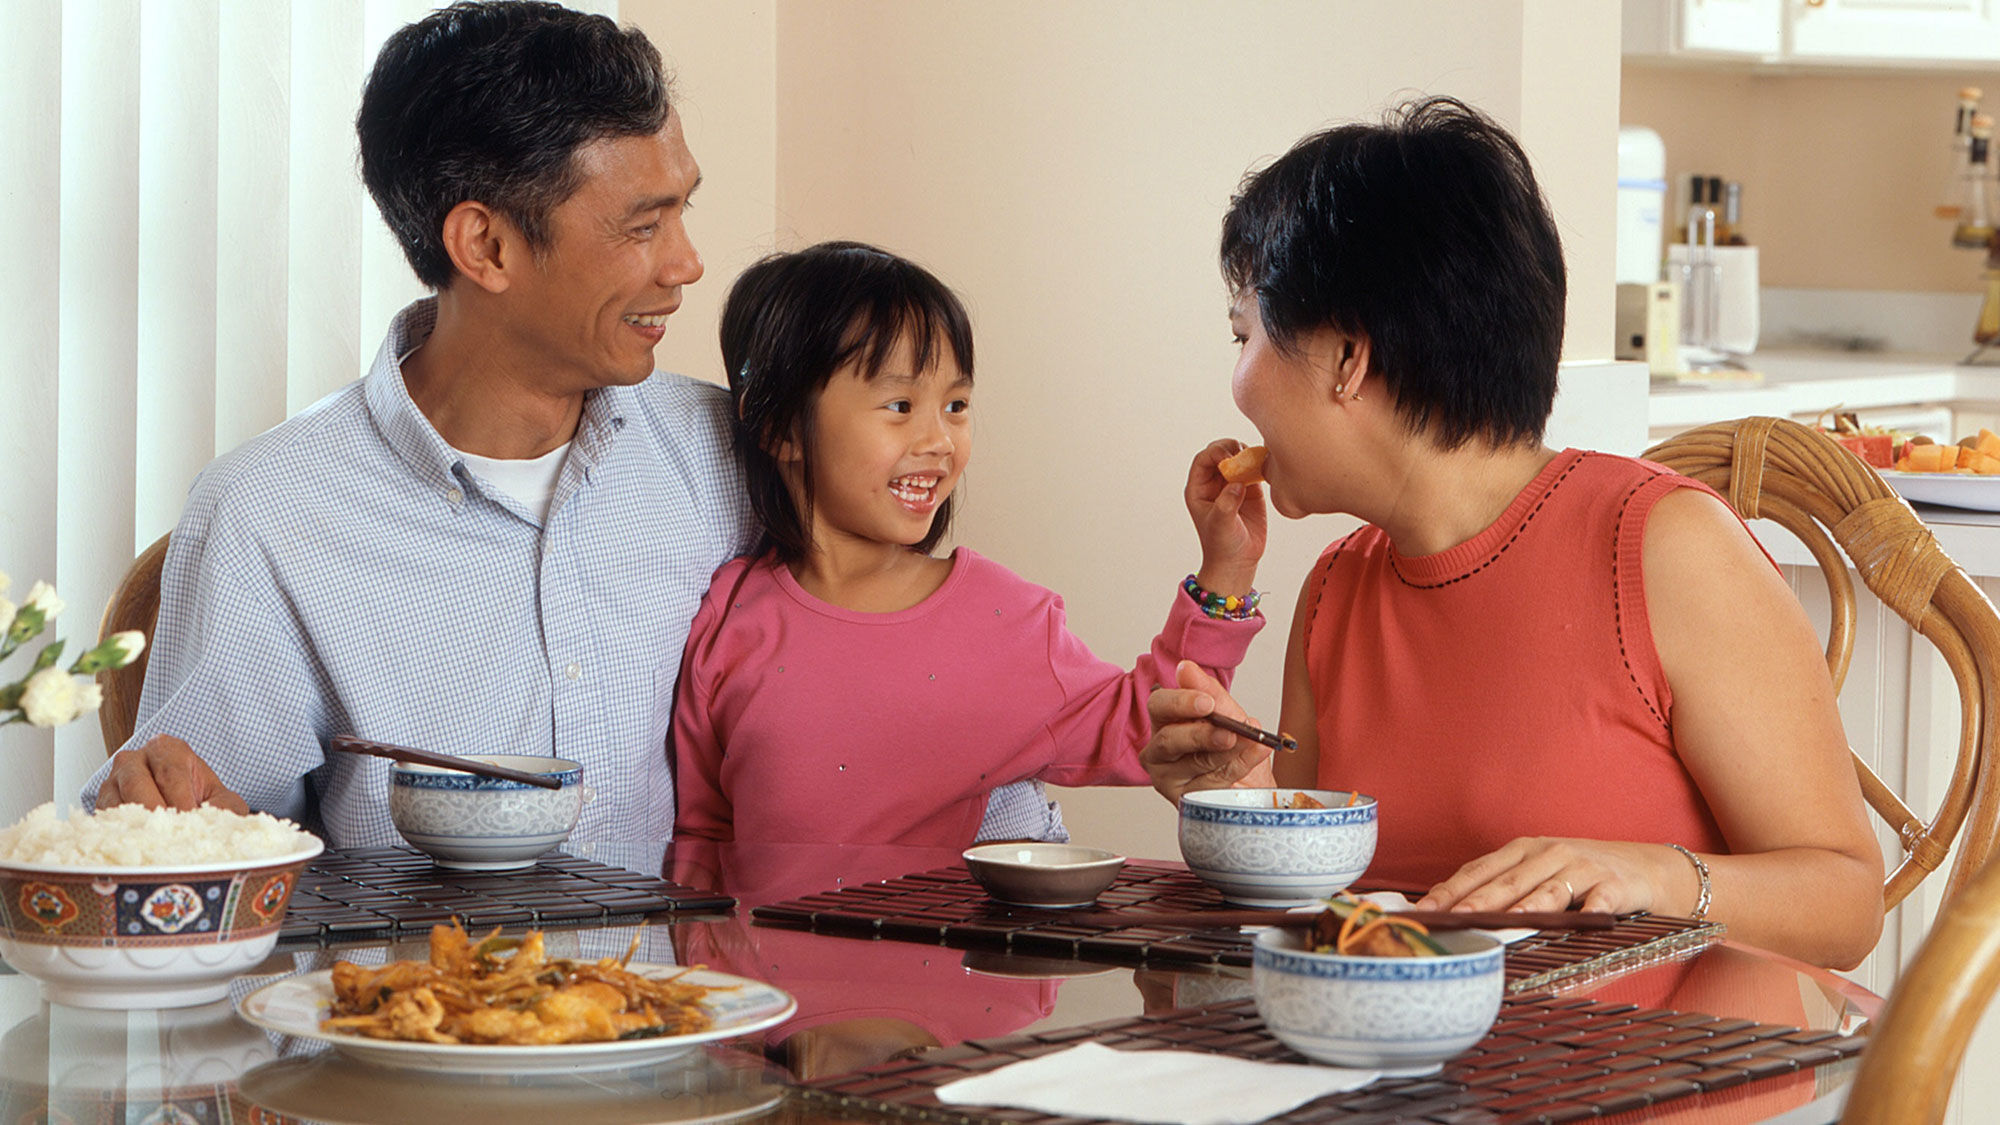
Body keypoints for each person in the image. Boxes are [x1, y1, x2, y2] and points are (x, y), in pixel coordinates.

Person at [78, 1, 1052, 848]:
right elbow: (189, 839)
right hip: (417, 1044)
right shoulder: (271, 516)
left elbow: (931, 682)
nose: (686, 264)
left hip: (741, 1044)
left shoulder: (742, 455)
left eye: (684, 211)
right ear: (487, 244)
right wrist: (172, 824)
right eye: (642, 225)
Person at [1140, 97, 1884, 969]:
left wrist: (1645, 876)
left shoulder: (1667, 549)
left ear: (1350, 357)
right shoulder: (1336, 589)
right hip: (1409, 1089)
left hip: (1653, 1086)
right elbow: (1337, 924)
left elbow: (1847, 902)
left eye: (1246, 335)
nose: (1237, 383)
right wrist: (1247, 799)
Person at [671, 241, 1267, 846]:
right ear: (776, 426)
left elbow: (1150, 723)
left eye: (956, 405)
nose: (939, 440)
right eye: (900, 405)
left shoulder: (1004, 616)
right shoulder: (728, 613)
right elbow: (702, 836)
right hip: (755, 944)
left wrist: (1228, 568)